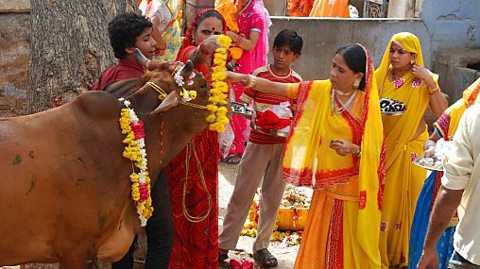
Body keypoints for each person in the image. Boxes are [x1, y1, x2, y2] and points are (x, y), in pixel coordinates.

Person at [227, 43, 385, 268]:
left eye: (341, 70)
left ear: (358, 76)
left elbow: (378, 151)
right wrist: (240, 78)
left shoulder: (367, 106)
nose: (332, 73)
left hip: (352, 191)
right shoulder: (321, 91)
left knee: (348, 248)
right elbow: (278, 88)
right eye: (332, 66)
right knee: (320, 246)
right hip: (325, 189)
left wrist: (355, 149)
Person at [91, 12, 174, 269]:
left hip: (112, 169)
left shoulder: (109, 75)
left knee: (123, 234)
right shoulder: (141, 82)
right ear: (130, 47)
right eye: (147, 39)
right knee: (162, 233)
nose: (154, 45)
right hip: (144, 168)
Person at [218, 29, 303, 267]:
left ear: (295, 56)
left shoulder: (296, 82)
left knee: (273, 197)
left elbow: (299, 114)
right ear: (272, 49)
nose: (281, 56)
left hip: (282, 145)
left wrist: (291, 123)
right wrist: (252, 117)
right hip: (258, 141)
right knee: (242, 193)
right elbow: (244, 105)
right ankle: (224, 245)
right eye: (278, 50)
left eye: (287, 52)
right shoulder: (259, 74)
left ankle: (262, 246)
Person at [375, 32, 448, 268]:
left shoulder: (423, 80)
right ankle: (380, 253)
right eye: (393, 50)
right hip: (384, 148)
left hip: (412, 150)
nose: (395, 56)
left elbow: (442, 114)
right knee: (384, 202)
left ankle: (411, 254)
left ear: (413, 56)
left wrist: (430, 82)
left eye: (401, 51)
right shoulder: (380, 77)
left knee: (412, 201)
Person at [164, 9, 226, 268]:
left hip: (208, 144)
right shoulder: (186, 55)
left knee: (206, 203)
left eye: (217, 33)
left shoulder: (221, 65)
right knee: (183, 205)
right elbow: (195, 55)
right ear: (193, 31)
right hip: (185, 145)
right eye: (206, 31)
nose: (212, 37)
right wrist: (204, 46)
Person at [409, 77, 480, 269]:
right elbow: (432, 139)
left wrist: (428, 248)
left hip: (472, 246)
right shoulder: (460, 112)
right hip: (445, 188)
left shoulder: (474, 117)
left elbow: (451, 191)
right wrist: (435, 150)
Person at [220, 0, 271, 164]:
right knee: (230, 102)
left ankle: (239, 148)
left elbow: (251, 44)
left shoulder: (256, 14)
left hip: (245, 64)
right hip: (233, 61)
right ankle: (230, 144)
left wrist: (232, 36)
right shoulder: (236, 5)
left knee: (240, 106)